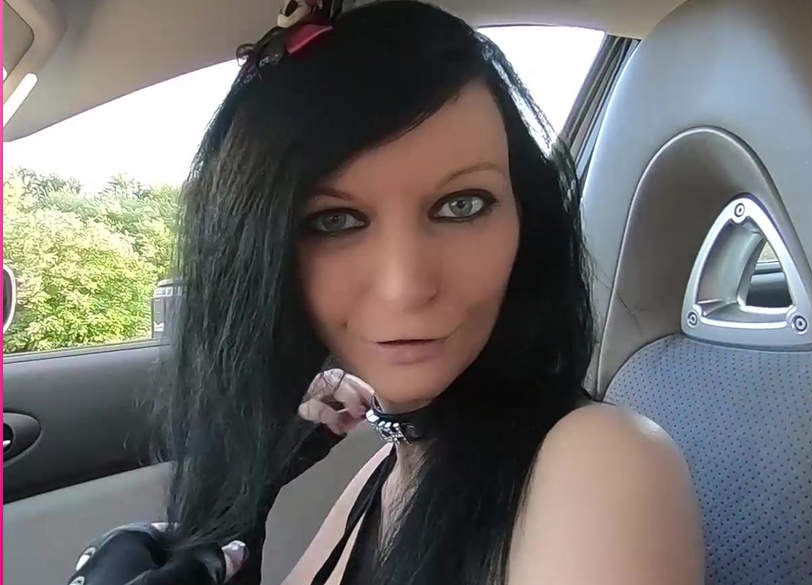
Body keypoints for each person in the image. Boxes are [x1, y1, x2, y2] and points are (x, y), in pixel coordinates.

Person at [68, 1, 704, 584]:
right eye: (335, 220)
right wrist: (245, 515)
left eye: (462, 205)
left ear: (526, 220)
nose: (406, 288)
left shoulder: (600, 465)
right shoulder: (394, 463)